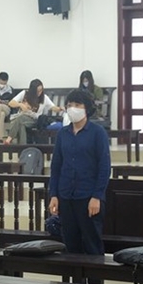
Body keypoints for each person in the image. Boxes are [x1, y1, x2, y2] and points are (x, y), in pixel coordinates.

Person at [48, 89, 110, 255]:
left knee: (92, 245)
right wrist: (54, 195)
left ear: (87, 108)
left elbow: (104, 167)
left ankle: (94, 274)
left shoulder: (98, 133)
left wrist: (97, 196)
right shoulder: (63, 133)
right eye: (69, 105)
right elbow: (56, 166)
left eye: (77, 105)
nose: (72, 108)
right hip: (66, 196)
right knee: (70, 245)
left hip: (88, 197)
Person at [3, 79, 62, 145]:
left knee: (20, 119)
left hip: (34, 120)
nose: (39, 93)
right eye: (37, 91)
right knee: (21, 125)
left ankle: (9, 138)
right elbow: (11, 103)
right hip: (22, 119)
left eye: (41, 90)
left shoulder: (44, 97)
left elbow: (53, 107)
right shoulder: (24, 93)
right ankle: (23, 146)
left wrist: (60, 108)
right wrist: (20, 105)